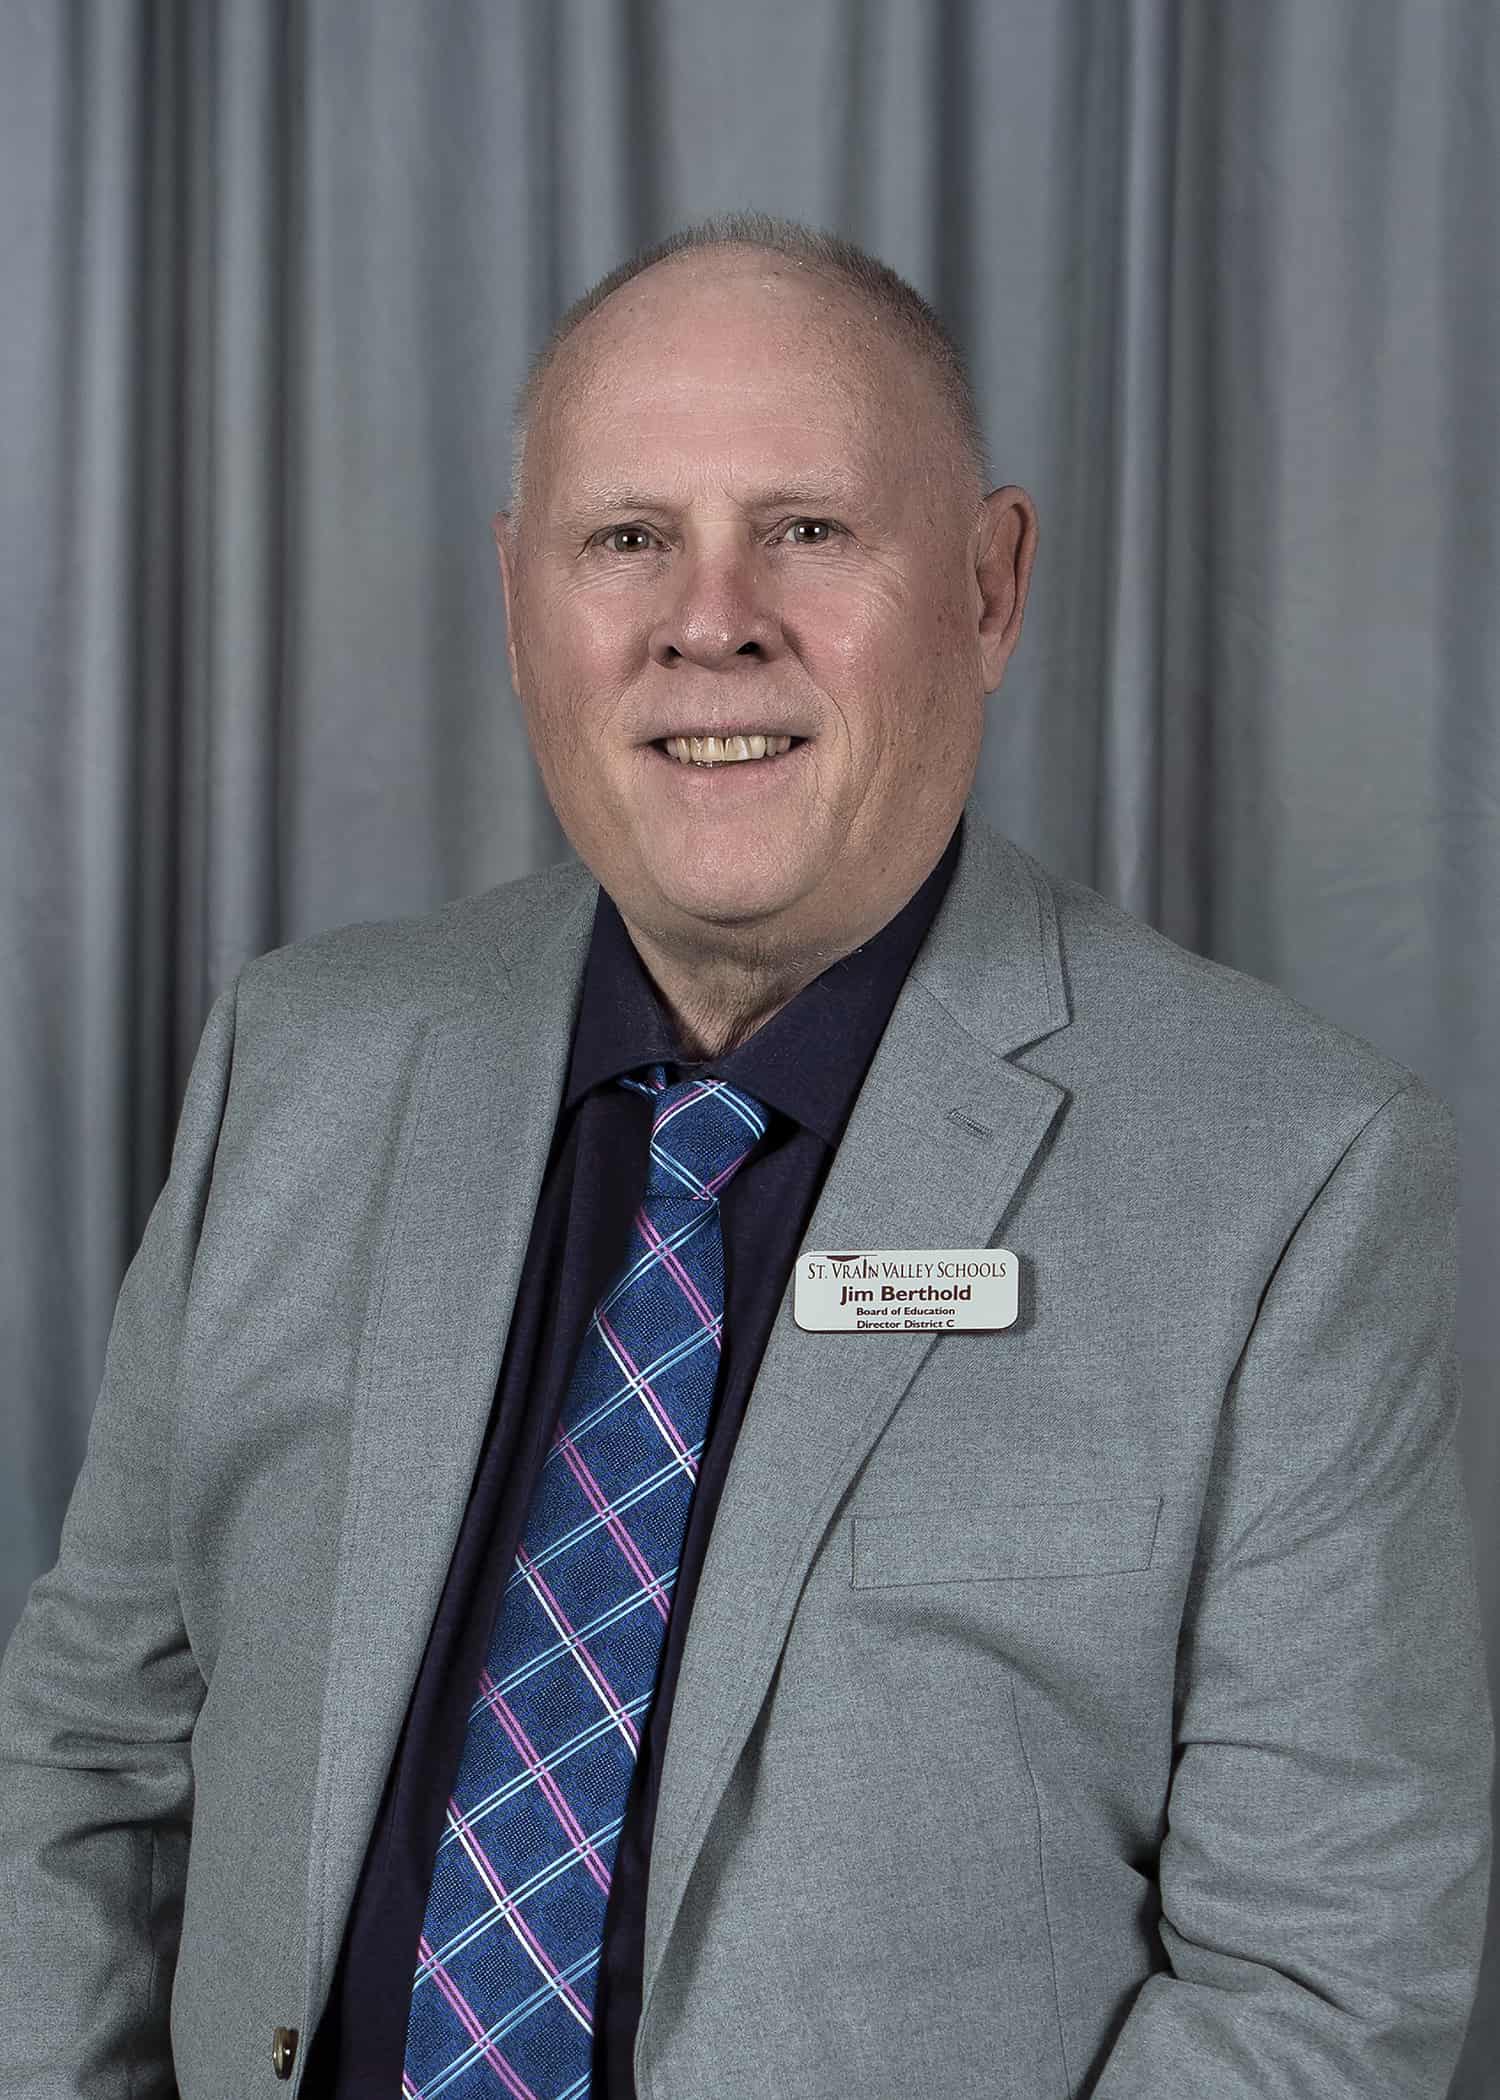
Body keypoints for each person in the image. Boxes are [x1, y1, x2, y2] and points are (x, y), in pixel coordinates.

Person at [0, 212, 1490, 2100]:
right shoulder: (298, 1064)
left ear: (990, 587)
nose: (712, 619)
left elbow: (1322, 1974)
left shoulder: (1290, 1176)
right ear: (519, 600)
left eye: (808, 528)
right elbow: (90, 1755)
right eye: (628, 538)